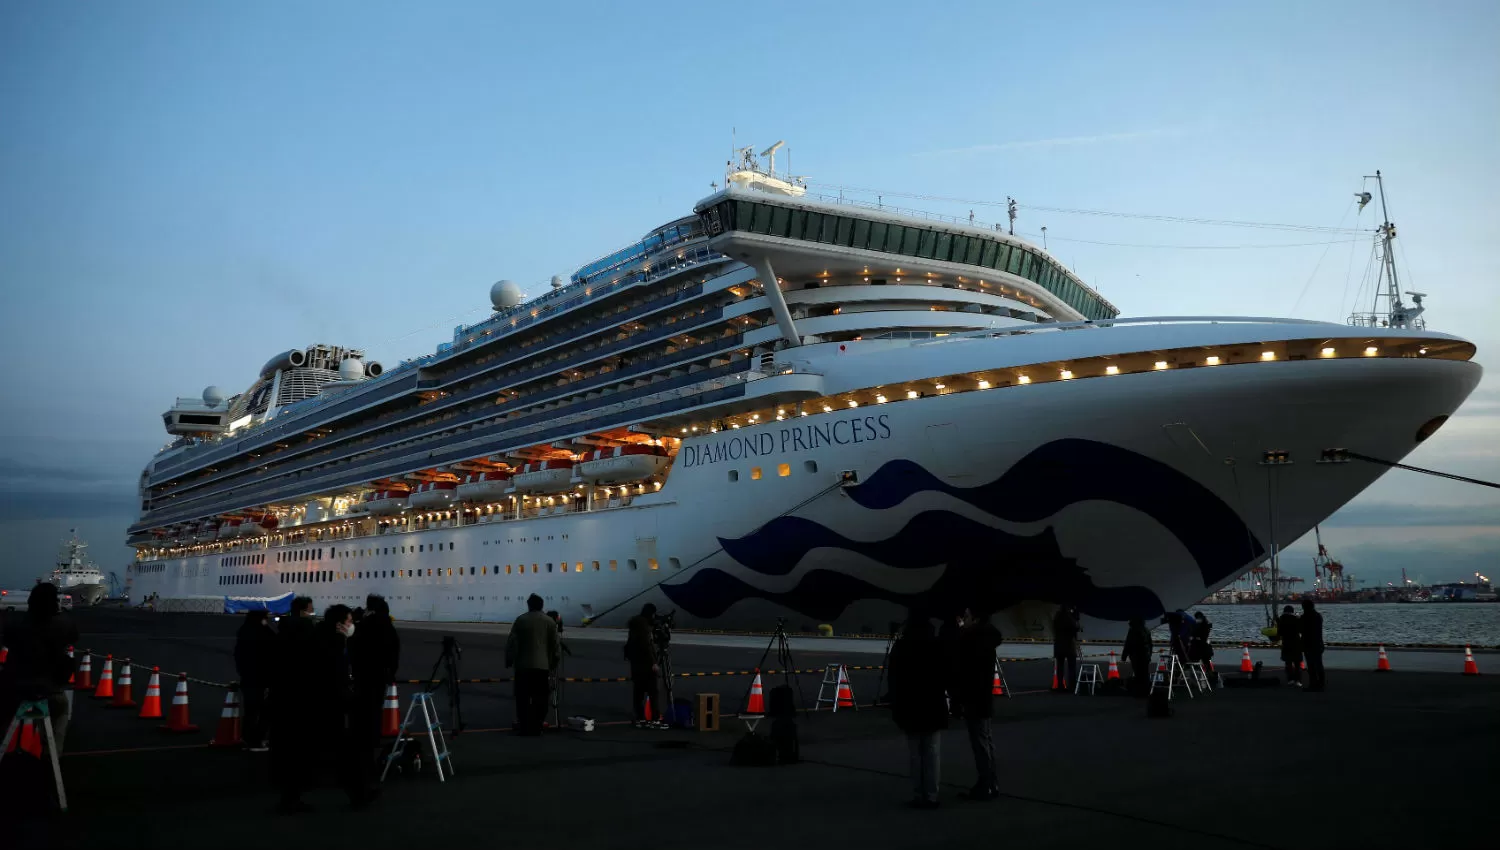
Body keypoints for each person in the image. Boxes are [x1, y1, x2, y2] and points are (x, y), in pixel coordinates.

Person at [0, 583, 79, 751]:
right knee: (61, 710)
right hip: (47, 688)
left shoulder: (15, 624)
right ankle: (53, 753)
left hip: (13, 686)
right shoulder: (61, 625)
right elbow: (73, 635)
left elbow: (7, 639)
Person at [889, 614, 947, 809]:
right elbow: (946, 676)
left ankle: (918, 794)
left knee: (915, 754)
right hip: (933, 705)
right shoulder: (937, 646)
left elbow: (894, 680)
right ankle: (932, 795)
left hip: (910, 706)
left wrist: (896, 708)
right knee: (932, 753)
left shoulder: (901, 647)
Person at [955, 608, 1003, 800]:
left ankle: (986, 784)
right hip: (984, 697)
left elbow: (963, 669)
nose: (963, 620)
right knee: (987, 741)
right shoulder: (988, 640)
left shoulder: (971, 640)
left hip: (973, 697)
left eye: (966, 617)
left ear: (974, 619)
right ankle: (991, 782)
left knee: (980, 743)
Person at [349, 594, 400, 766]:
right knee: (375, 707)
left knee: (361, 707)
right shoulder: (388, 626)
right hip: (380, 674)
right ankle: (374, 737)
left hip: (363, 674)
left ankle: (360, 739)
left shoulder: (365, 625)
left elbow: (353, 647)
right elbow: (395, 651)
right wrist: (390, 672)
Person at [505, 594, 561, 735]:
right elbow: (555, 647)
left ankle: (524, 726)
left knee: (522, 698)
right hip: (542, 667)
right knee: (541, 698)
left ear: (529, 605)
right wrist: (553, 664)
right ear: (542, 606)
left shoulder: (521, 620)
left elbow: (512, 644)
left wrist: (509, 660)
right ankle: (537, 725)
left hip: (523, 667)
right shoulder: (550, 622)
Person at [234, 610, 277, 752]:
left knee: (250, 711)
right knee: (264, 711)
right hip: (261, 679)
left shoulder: (244, 632)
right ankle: (257, 740)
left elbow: (238, 657)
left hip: (248, 678)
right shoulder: (263, 634)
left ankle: (247, 739)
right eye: (265, 618)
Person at [624, 603, 665, 728]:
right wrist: (653, 662)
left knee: (638, 693)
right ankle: (655, 720)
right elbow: (647, 645)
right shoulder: (644, 628)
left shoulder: (635, 625)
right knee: (654, 692)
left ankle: (640, 719)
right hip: (646, 665)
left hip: (636, 666)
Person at [937, 610, 965, 717]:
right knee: (956, 689)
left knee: (945, 687)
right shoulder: (959, 630)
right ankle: (956, 709)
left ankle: (946, 709)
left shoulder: (943, 629)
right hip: (956, 663)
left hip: (945, 662)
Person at [1051, 606, 1080, 691]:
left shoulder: (1057, 616)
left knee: (1060, 667)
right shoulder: (1070, 617)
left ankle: (1060, 685)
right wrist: (1075, 616)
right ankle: (1072, 686)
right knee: (1071, 667)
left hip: (1059, 645)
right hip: (1069, 645)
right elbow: (1076, 627)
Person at [1122, 617, 1153, 697]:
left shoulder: (1132, 630)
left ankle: (1139, 692)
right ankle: (1146, 691)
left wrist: (1124, 655)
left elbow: (1128, 643)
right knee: (1145, 674)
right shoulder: (1146, 630)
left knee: (1138, 674)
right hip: (1145, 655)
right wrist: (1150, 655)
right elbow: (1150, 644)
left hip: (1136, 655)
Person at [1300, 600, 1326, 692]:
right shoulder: (1318, 616)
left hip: (1308, 644)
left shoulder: (1304, 617)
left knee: (1311, 666)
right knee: (1319, 664)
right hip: (1318, 643)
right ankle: (1321, 684)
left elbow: (1300, 629)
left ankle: (1313, 684)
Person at [1276, 605, 1302, 687]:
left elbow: (1279, 633)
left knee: (1288, 663)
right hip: (1296, 643)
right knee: (1297, 663)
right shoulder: (1296, 619)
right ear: (1292, 611)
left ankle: (1290, 679)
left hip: (1286, 643)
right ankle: (1298, 680)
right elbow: (1300, 629)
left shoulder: (1281, 619)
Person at [1190, 611, 1214, 680]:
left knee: (1196, 661)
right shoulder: (1206, 623)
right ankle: (1210, 675)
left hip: (1201, 647)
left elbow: (1200, 635)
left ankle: (1197, 676)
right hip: (1205, 647)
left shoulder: (1202, 624)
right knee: (1206, 662)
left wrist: (1194, 637)